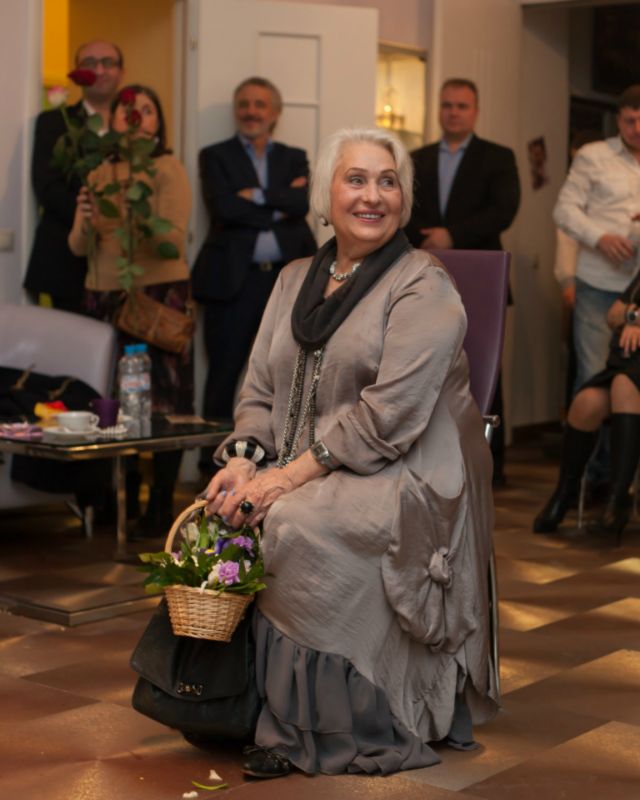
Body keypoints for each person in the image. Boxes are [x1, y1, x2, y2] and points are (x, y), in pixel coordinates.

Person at [202, 128, 497, 778]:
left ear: (405, 199)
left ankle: (324, 726)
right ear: (326, 197)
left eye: (387, 182)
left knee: (293, 522)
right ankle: (237, 704)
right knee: (226, 506)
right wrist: (244, 461)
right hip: (311, 460)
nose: (372, 196)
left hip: (408, 463)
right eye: (355, 179)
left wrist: (284, 479)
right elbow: (258, 389)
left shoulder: (424, 286)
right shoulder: (292, 281)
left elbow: (388, 417)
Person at [68, 84, 193, 534]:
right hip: (103, 295)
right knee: (110, 401)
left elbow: (172, 241)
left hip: (156, 297)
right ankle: (115, 500)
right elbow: (77, 245)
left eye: (146, 109)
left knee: (163, 403)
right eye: (127, 110)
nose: (135, 116)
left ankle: (159, 506)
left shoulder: (168, 168)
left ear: (158, 122)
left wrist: (130, 211)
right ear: (113, 120)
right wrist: (88, 216)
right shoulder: (98, 171)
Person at [191, 76, 316, 472]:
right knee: (223, 375)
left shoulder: (294, 157)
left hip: (287, 284)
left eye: (260, 104)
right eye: (244, 103)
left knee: (287, 376)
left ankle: (279, 465)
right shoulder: (215, 156)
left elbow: (302, 205)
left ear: (275, 113)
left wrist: (255, 197)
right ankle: (211, 468)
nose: (251, 111)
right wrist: (280, 203)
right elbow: (224, 209)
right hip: (232, 283)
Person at [405, 78, 520, 487]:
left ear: (475, 111)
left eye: (462, 106)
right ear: (438, 109)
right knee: (426, 363)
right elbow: (403, 207)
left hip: (481, 279)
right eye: (447, 105)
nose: (453, 112)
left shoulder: (498, 157)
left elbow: (504, 210)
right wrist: (429, 237)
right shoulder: (415, 158)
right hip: (425, 275)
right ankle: (430, 459)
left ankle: (491, 464)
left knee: (485, 368)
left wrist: (452, 234)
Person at [534, 269, 640, 543]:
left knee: (624, 386)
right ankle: (564, 493)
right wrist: (633, 316)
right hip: (625, 366)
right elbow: (612, 316)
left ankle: (618, 501)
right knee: (585, 403)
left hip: (629, 377)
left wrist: (633, 319)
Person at [24, 39, 124, 313]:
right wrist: (94, 220)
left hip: (122, 264)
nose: (99, 70)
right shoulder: (54, 123)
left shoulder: (132, 129)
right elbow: (48, 187)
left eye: (108, 63)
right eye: (90, 63)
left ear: (121, 72)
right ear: (76, 72)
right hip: (66, 263)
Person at [554, 85, 640, 394]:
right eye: (630, 121)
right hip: (598, 284)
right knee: (595, 376)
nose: (637, 129)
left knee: (633, 382)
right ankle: (590, 430)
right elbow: (564, 210)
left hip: (639, 289)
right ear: (618, 120)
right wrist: (600, 238)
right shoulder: (594, 155)